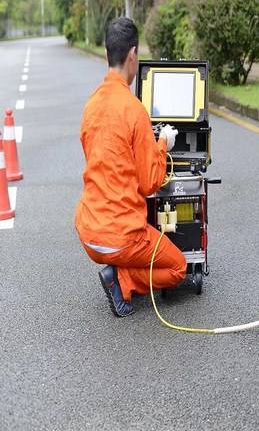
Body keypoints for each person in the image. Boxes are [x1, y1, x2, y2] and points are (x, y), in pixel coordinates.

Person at [75, 17, 186, 317]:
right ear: (133, 55)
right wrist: (163, 144)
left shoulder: (91, 104)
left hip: (88, 232)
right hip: (120, 236)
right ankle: (123, 280)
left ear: (107, 52)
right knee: (178, 267)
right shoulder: (134, 110)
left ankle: (119, 269)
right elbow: (150, 182)